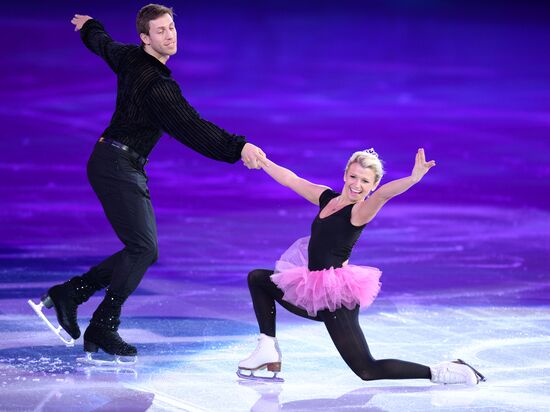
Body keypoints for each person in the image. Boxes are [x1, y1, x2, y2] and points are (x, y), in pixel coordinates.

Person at [29, 4, 266, 362]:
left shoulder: (128, 56)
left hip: (116, 160)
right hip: (117, 164)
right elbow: (194, 128)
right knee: (143, 248)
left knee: (141, 248)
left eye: (171, 27)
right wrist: (239, 147)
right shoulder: (157, 86)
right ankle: (103, 323)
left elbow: (104, 44)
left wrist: (90, 26)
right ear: (145, 39)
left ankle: (72, 293)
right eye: (160, 31)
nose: (169, 35)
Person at [237, 148, 486, 385]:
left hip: (335, 298)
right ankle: (267, 349)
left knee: (366, 369)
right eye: (354, 176)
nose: (357, 185)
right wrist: (263, 161)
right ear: (345, 175)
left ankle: (446, 371)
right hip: (310, 288)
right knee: (259, 279)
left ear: (372, 185)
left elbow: (383, 195)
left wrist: (413, 178)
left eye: (365, 181)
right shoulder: (327, 198)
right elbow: (292, 179)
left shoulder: (360, 211)